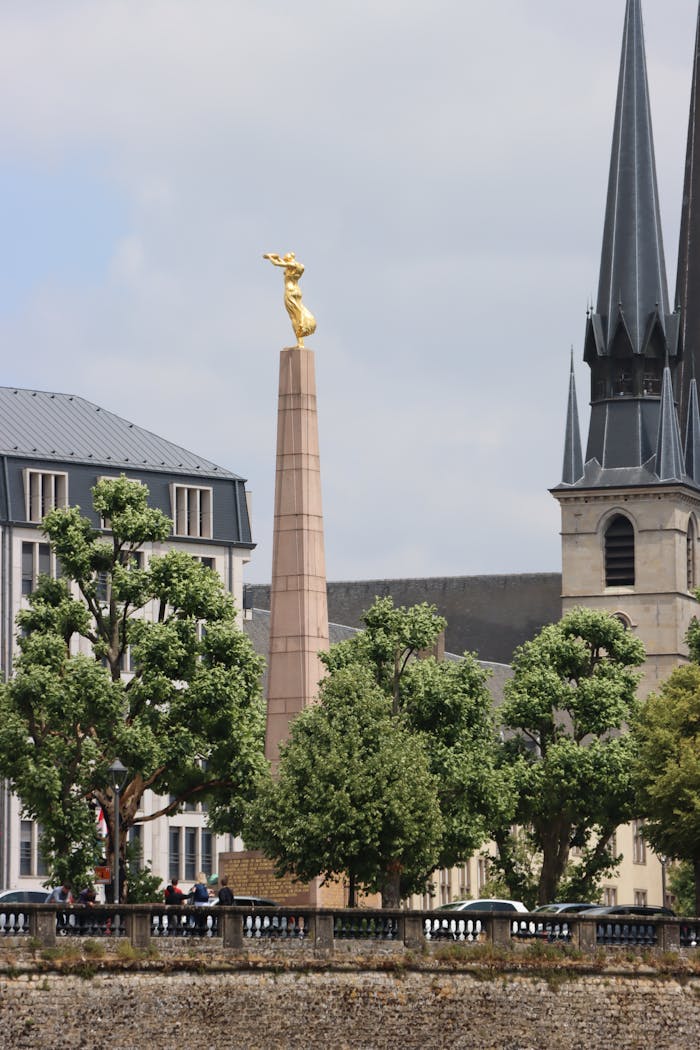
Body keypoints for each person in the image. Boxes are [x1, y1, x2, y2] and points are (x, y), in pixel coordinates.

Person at [263, 252, 317, 348]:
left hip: (290, 292)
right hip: (297, 291)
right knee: (299, 313)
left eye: (286, 255)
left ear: (291, 257)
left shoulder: (292, 264)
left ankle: (300, 341)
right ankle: (301, 337)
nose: (284, 256)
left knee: (294, 317)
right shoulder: (298, 266)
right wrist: (278, 258)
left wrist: (270, 257)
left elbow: (276, 263)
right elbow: (282, 261)